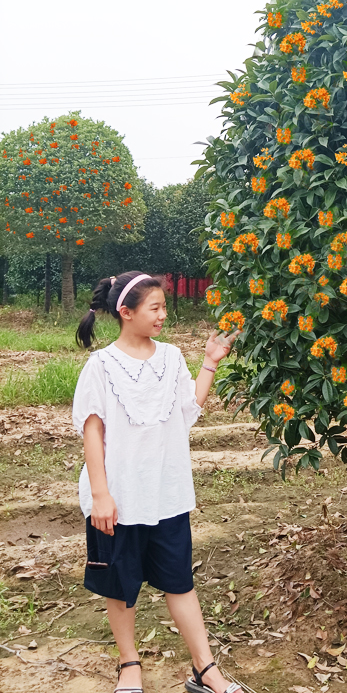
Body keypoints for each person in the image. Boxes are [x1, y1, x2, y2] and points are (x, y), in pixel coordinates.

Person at [74, 271, 242, 693]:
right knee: (121, 586)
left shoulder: (170, 356)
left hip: (167, 493)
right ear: (126, 313)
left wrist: (210, 361)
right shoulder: (101, 366)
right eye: (155, 308)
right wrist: (101, 495)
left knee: (179, 581)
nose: (163, 315)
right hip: (120, 497)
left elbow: (187, 410)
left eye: (164, 307)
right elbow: (92, 431)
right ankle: (129, 664)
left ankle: (205, 669)